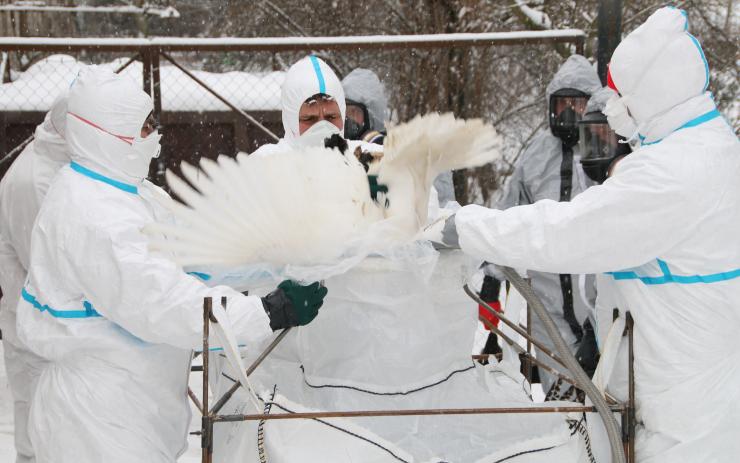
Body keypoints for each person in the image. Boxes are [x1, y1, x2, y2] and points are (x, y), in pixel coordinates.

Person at [449, 7, 740, 462]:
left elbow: (566, 232)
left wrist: (463, 226)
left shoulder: (671, 173)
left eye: (622, 98)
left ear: (652, 92)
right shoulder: (709, 146)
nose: (615, 112)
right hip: (686, 400)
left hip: (686, 424)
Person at [15, 66, 326, 463]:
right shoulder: (94, 216)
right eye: (144, 127)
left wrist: (278, 259)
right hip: (97, 424)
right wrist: (267, 311)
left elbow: (190, 255)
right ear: (110, 135)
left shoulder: (125, 190)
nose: (156, 136)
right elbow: (164, 303)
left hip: (131, 410)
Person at [491, 54, 601, 398]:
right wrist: (492, 284)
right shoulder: (535, 157)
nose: (569, 113)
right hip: (547, 299)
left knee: (605, 390)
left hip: (596, 293)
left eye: (577, 105)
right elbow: (507, 220)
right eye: (562, 105)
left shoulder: (605, 150)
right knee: (560, 394)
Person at [0, 95, 70, 463]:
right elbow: (46, 269)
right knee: (40, 443)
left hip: (53, 332)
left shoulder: (61, 166)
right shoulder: (33, 182)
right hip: (35, 334)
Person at [252, 55, 347, 156]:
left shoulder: (359, 161)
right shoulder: (266, 165)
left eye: (331, 117)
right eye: (310, 118)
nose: (323, 128)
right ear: (291, 122)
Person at [341, 68, 388, 145]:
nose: (347, 117)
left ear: (370, 118)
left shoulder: (386, 151)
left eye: (354, 111)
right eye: (344, 110)